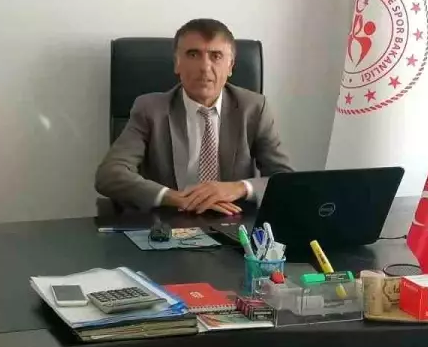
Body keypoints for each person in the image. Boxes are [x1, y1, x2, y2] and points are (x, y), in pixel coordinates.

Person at [95, 19, 292, 213]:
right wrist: (175, 198)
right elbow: (110, 174)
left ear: (230, 66)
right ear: (177, 64)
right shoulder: (150, 109)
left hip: (233, 219)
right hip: (170, 219)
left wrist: (240, 188)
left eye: (216, 56)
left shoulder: (254, 108)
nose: (205, 67)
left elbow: (285, 179)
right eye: (193, 54)